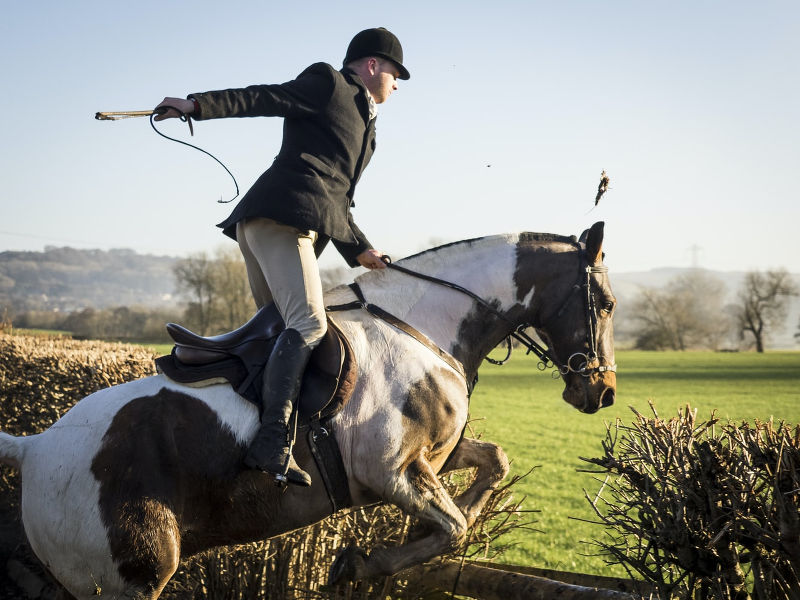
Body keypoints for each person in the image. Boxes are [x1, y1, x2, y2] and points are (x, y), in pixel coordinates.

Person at [155, 27, 410, 487]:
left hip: (278, 222)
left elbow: (335, 200)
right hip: (281, 221)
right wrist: (195, 106)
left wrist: (361, 249)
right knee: (308, 325)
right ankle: (273, 443)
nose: (397, 83)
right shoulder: (329, 82)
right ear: (373, 65)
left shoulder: (367, 127)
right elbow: (263, 97)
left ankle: (232, 430)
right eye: (396, 72)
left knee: (278, 327)